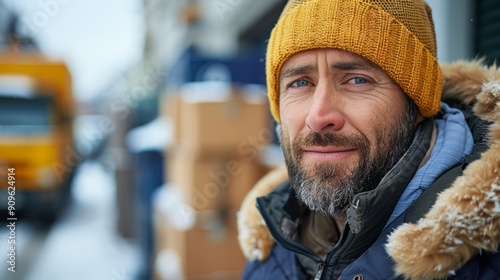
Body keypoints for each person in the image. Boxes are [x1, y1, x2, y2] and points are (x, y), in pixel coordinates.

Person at [237, 0, 500, 279]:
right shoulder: (270, 254)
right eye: (300, 82)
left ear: (418, 104)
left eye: (357, 80)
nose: (319, 116)